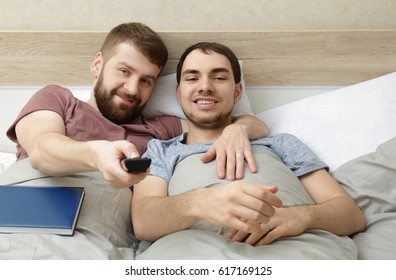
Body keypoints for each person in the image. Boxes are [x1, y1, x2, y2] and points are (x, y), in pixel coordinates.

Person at [131, 42, 365, 249]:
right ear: (179, 93)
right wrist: (202, 202)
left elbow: (351, 215)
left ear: (238, 92)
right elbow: (143, 221)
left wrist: (301, 216)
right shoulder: (161, 151)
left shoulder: (280, 143)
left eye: (219, 77)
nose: (205, 87)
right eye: (192, 78)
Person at [5, 23, 269, 189]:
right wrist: (97, 155)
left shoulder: (161, 129)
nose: (132, 89)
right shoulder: (58, 99)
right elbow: (41, 149)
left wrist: (237, 130)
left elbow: (232, 124)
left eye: (146, 80)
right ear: (98, 65)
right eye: (124, 71)